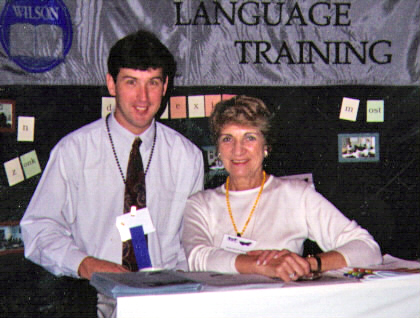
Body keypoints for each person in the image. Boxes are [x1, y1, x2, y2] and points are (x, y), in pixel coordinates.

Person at [20, 30, 204, 316]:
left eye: (153, 83)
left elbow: (191, 240)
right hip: (89, 297)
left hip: (166, 301)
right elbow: (38, 228)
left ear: (166, 85)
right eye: (131, 82)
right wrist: (86, 264)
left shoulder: (187, 156)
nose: (143, 97)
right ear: (111, 83)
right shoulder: (74, 151)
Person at [182, 95, 382, 282]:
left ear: (266, 146)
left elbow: (367, 248)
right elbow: (197, 258)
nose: (238, 149)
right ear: (217, 149)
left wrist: (308, 264)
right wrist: (263, 266)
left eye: (250, 137)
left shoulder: (296, 195)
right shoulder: (200, 204)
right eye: (227, 139)